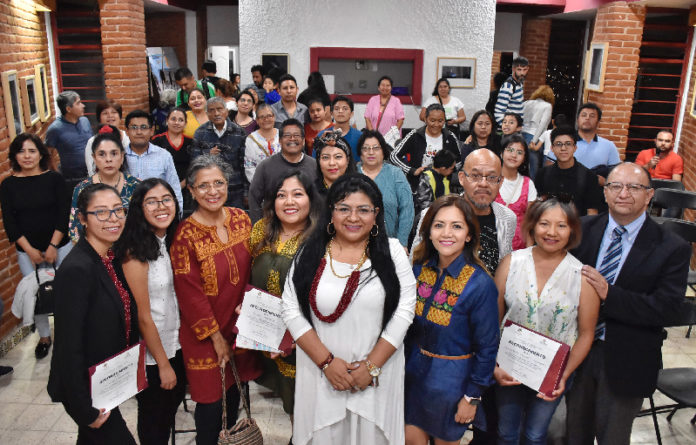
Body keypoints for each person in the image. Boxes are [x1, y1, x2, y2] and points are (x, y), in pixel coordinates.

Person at [282, 173, 417, 445]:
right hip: (321, 376)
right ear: (330, 213)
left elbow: (405, 310)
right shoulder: (310, 252)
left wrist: (371, 367)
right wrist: (327, 363)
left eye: (363, 210)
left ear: (376, 214)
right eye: (344, 209)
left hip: (375, 377)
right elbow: (291, 310)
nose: (353, 218)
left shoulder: (393, 253)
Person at [565, 163, 691, 445]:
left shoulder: (672, 247)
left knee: (613, 437)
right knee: (573, 433)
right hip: (577, 351)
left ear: (649, 195)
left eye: (634, 187)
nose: (623, 193)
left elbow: (668, 308)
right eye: (615, 186)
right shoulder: (581, 230)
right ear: (606, 193)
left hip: (627, 358)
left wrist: (610, 293)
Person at [170, 155, 262, 445]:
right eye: (203, 186)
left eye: (218, 183)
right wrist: (215, 337)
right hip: (205, 335)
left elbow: (254, 270)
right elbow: (189, 293)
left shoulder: (241, 219)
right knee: (211, 405)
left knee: (235, 394)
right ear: (192, 191)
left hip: (238, 328)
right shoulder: (185, 235)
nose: (212, 191)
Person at [493, 197, 599, 445]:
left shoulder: (581, 276)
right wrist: (494, 365)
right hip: (509, 365)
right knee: (506, 432)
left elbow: (586, 334)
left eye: (561, 225)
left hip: (554, 371)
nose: (551, 232)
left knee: (535, 434)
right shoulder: (511, 263)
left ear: (572, 229)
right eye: (544, 224)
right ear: (532, 226)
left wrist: (564, 375)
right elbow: (493, 318)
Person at [47, 183, 138, 444]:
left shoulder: (108, 257)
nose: (113, 219)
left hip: (104, 382)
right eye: (101, 212)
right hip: (87, 391)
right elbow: (68, 345)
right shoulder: (77, 269)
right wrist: (83, 408)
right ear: (83, 218)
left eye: (118, 210)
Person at [405, 194, 499, 445]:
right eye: (439, 225)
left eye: (456, 226)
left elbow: (487, 348)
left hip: (452, 386)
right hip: (412, 378)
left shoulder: (481, 284)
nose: (447, 233)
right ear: (429, 232)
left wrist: (472, 397)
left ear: (468, 235)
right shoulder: (417, 270)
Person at [116, 179, 185, 445]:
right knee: (153, 421)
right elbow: (143, 316)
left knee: (168, 413)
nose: (161, 206)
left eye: (166, 199)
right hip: (152, 355)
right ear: (139, 208)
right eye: (152, 202)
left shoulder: (170, 241)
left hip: (176, 342)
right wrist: (164, 364)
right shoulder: (135, 252)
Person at [249, 171, 320, 425]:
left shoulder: (321, 240)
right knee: (290, 403)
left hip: (308, 340)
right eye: (281, 195)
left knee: (311, 407)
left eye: (297, 194)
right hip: (268, 337)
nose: (289, 201)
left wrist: (295, 337)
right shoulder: (260, 230)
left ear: (311, 199)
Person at [0, 133, 71, 359]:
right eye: (21, 151)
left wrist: (53, 246)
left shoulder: (55, 179)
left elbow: (63, 214)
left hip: (60, 246)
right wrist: (29, 250)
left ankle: (68, 335)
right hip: (26, 251)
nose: (27, 156)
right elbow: (10, 222)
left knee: (67, 291)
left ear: (41, 154)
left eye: (32, 151)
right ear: (14, 156)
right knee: (35, 294)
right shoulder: (8, 185)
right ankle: (43, 337)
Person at [70, 129, 141, 242]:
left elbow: (145, 226)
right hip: (94, 253)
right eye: (102, 154)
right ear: (94, 158)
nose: (108, 159)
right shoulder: (82, 189)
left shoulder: (137, 186)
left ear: (122, 157)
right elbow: (75, 231)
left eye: (114, 153)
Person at [249, 119, 318, 222]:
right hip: (274, 229)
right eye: (287, 135)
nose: (292, 139)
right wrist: (259, 227)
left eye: (296, 135)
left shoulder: (315, 166)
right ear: (280, 141)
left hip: (309, 229)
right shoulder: (266, 166)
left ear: (303, 141)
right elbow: (254, 198)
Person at [356, 129, 414, 247]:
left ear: (383, 151)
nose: (370, 152)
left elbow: (407, 209)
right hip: (355, 243)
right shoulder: (352, 174)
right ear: (360, 153)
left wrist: (401, 243)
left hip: (389, 243)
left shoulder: (395, 174)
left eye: (376, 148)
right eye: (366, 148)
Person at [191, 97, 247, 209]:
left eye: (219, 109)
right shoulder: (200, 133)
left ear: (226, 111)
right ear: (207, 114)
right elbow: (194, 162)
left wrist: (246, 192)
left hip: (235, 189)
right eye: (211, 110)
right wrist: (208, 155)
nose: (216, 113)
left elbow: (244, 165)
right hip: (210, 191)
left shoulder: (239, 132)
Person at [390, 104, 460, 191]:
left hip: (443, 187)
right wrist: (412, 170)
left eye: (440, 121)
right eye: (432, 120)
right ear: (425, 119)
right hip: (417, 187)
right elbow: (393, 156)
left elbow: (459, 161)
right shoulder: (415, 135)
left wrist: (448, 170)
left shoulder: (450, 137)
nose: (436, 124)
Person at [534, 127, 602, 216]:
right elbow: (537, 207)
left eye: (568, 144)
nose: (563, 148)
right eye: (558, 144)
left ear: (575, 147)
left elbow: (592, 214)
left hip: (578, 227)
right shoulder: (542, 174)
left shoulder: (589, 177)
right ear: (552, 148)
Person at [124, 110, 184, 211]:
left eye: (143, 127)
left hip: (158, 213)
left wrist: (177, 215)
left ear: (152, 131)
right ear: (127, 131)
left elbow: (175, 189)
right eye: (134, 127)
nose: (139, 132)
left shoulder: (163, 156)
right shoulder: (119, 156)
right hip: (128, 215)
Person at [546, 103, 620, 184]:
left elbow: (616, 176)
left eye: (592, 116)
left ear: (598, 122)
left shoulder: (609, 146)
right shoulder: (562, 143)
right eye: (584, 115)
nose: (587, 118)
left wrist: (605, 182)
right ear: (577, 120)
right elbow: (549, 171)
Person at [494, 134, 537, 250]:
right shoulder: (490, 180)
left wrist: (528, 253)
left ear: (524, 158)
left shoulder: (528, 184)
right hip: (492, 245)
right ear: (502, 153)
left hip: (518, 249)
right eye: (510, 150)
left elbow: (530, 223)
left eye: (519, 152)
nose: (514, 155)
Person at [45, 90, 92, 190]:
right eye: (78, 103)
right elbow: (48, 154)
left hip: (91, 174)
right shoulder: (55, 129)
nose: (83, 106)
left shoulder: (85, 121)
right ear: (68, 109)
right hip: (71, 180)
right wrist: (57, 174)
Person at [151, 107, 193, 194]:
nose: (176, 123)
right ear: (167, 121)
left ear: (185, 124)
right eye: (173, 119)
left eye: (181, 120)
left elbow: (194, 166)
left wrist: (182, 184)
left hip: (187, 187)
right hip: (161, 188)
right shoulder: (156, 141)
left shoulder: (191, 142)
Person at [85, 99, 131, 176]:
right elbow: (91, 169)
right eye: (105, 113)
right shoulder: (92, 141)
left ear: (120, 117)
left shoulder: (128, 139)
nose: (110, 116)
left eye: (114, 112)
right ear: (99, 118)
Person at [522, 85, 554, 179]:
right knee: (534, 166)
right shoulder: (548, 106)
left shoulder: (527, 102)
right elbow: (543, 124)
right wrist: (534, 140)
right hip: (534, 135)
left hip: (522, 135)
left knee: (520, 164)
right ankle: (533, 190)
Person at [414, 149, 458, 216]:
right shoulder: (426, 177)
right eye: (452, 169)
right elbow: (423, 203)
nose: (453, 171)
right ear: (443, 168)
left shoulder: (445, 175)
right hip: (428, 215)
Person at [313, 130, 357, 197]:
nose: (332, 163)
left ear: (347, 160)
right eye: (325, 157)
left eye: (338, 157)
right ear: (319, 161)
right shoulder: (310, 192)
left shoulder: (359, 190)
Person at [244, 103, 281, 183]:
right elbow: (249, 167)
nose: (266, 119)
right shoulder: (251, 139)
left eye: (269, 116)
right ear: (257, 120)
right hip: (261, 186)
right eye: (262, 117)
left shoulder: (283, 135)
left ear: (274, 117)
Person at [318, 96, 363, 160]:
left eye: (345, 109)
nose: (340, 111)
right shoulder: (323, 135)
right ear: (332, 113)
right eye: (336, 109)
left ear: (351, 114)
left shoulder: (360, 137)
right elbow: (316, 160)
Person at [494, 57, 529, 126]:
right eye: (519, 70)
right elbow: (499, 112)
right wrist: (507, 128)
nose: (522, 73)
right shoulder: (508, 86)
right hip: (510, 130)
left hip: (516, 128)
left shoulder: (520, 83)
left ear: (528, 69)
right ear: (513, 69)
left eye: (524, 70)